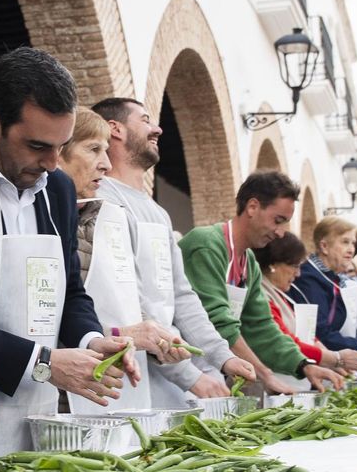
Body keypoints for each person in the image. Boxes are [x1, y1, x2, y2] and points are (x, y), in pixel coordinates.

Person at [0, 47, 134, 455]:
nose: (53, 163)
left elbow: (69, 289)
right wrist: (44, 361)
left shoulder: (60, 191)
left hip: (39, 410)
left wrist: (90, 340)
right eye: (37, 146)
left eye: (62, 145)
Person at [89, 98, 255, 405]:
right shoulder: (101, 201)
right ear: (116, 129)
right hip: (124, 379)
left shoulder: (158, 213)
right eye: (146, 119)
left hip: (170, 383)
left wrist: (222, 356)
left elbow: (181, 296)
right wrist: (190, 376)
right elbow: (126, 300)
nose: (158, 129)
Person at [57, 108, 189, 410]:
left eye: (105, 151)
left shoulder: (103, 216)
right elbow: (42, 327)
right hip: (61, 397)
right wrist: (122, 335)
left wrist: (154, 340)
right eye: (93, 150)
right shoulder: (50, 220)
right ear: (57, 153)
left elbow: (130, 298)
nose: (105, 165)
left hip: (109, 393)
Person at [181, 172, 345, 395]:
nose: (280, 233)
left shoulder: (249, 263)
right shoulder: (207, 245)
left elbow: (261, 327)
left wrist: (304, 365)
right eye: (278, 221)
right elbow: (218, 321)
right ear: (252, 207)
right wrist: (264, 374)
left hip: (212, 370)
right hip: (181, 370)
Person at [256, 233, 355, 386]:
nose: (298, 273)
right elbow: (284, 340)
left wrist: (332, 362)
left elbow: (307, 336)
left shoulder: (279, 293)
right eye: (295, 266)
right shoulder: (261, 295)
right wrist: (335, 358)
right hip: (272, 384)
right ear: (273, 264)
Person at [294, 217, 357, 363]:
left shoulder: (331, 278)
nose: (352, 250)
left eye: (353, 243)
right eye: (345, 242)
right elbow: (320, 333)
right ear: (324, 246)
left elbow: (342, 327)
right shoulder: (308, 279)